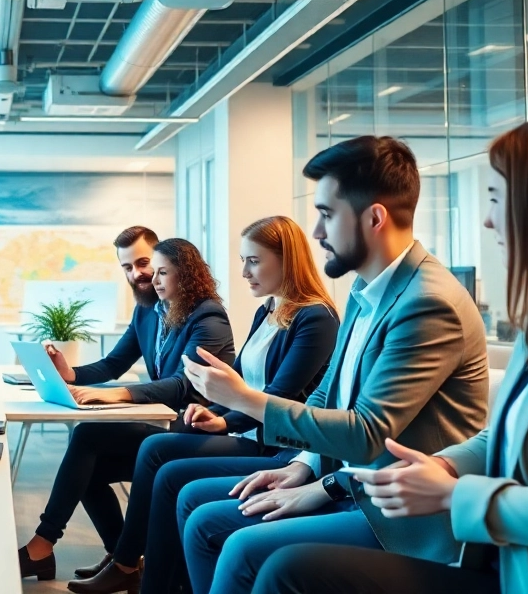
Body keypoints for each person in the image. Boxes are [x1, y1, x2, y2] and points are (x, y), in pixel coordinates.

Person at [253, 110, 528, 594]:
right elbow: (504, 433)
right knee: (283, 564)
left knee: (285, 569)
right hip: (526, 568)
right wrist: (444, 465)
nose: (486, 217)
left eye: (495, 196)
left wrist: (454, 494)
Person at [174, 135, 489, 594]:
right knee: (201, 514)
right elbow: (329, 396)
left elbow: (365, 433)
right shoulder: (366, 292)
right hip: (347, 482)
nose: (317, 233)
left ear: (374, 217)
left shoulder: (428, 304)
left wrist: (245, 400)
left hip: (397, 516)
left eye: (326, 215)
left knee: (244, 548)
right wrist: (304, 464)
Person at [69, 216, 339, 594]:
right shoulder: (268, 311)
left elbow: (277, 395)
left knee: (159, 454)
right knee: (152, 452)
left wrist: (227, 418)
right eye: (243, 260)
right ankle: (135, 566)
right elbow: (247, 384)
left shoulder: (315, 317)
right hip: (250, 431)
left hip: (279, 447)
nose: (244, 272)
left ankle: (135, 567)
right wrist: (219, 418)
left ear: (287, 259)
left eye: (254, 261)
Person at [19, 236, 236, 583]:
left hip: (197, 430)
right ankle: (117, 556)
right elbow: (113, 363)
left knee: (88, 440)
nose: (138, 274)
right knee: (86, 454)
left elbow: (184, 386)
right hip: (170, 427)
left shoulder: (208, 316)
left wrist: (115, 395)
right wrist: (70, 375)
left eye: (144, 264)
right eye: (127, 267)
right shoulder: (149, 311)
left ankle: (68, 552)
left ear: (173, 267)